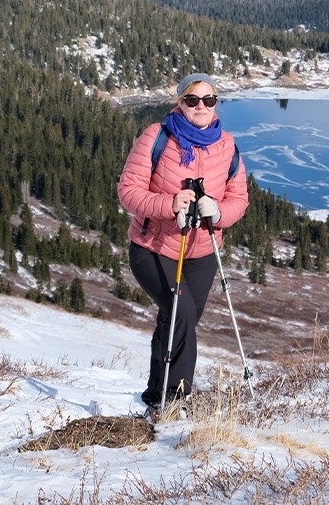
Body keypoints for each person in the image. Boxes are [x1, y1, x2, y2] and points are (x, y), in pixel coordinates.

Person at [118, 72, 249, 411]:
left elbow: (239, 200)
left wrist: (218, 212)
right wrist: (169, 204)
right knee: (183, 312)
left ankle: (155, 396)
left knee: (175, 319)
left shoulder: (227, 146)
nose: (201, 106)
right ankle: (176, 400)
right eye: (192, 99)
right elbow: (128, 192)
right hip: (153, 248)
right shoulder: (157, 137)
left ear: (216, 104)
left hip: (202, 253)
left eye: (209, 100)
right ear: (180, 103)